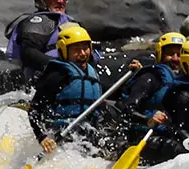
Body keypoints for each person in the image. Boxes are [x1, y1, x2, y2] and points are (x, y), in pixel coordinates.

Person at [26, 23, 134, 152]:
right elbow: (34, 110)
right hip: (65, 135)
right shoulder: (57, 74)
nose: (83, 53)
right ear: (63, 50)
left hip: (90, 132)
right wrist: (42, 137)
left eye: (85, 48)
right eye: (76, 49)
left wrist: (133, 73)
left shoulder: (91, 73)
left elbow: (116, 94)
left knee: (119, 145)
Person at [120, 32, 187, 147]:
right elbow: (127, 110)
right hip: (143, 135)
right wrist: (148, 120)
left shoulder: (185, 80)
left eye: (179, 54)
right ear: (160, 54)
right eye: (170, 54)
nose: (175, 59)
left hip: (169, 134)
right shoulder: (150, 77)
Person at [5, 0, 73, 82]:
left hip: (73, 76)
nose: (61, 1)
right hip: (45, 81)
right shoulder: (37, 22)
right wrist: (62, 67)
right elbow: (28, 53)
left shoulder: (72, 23)